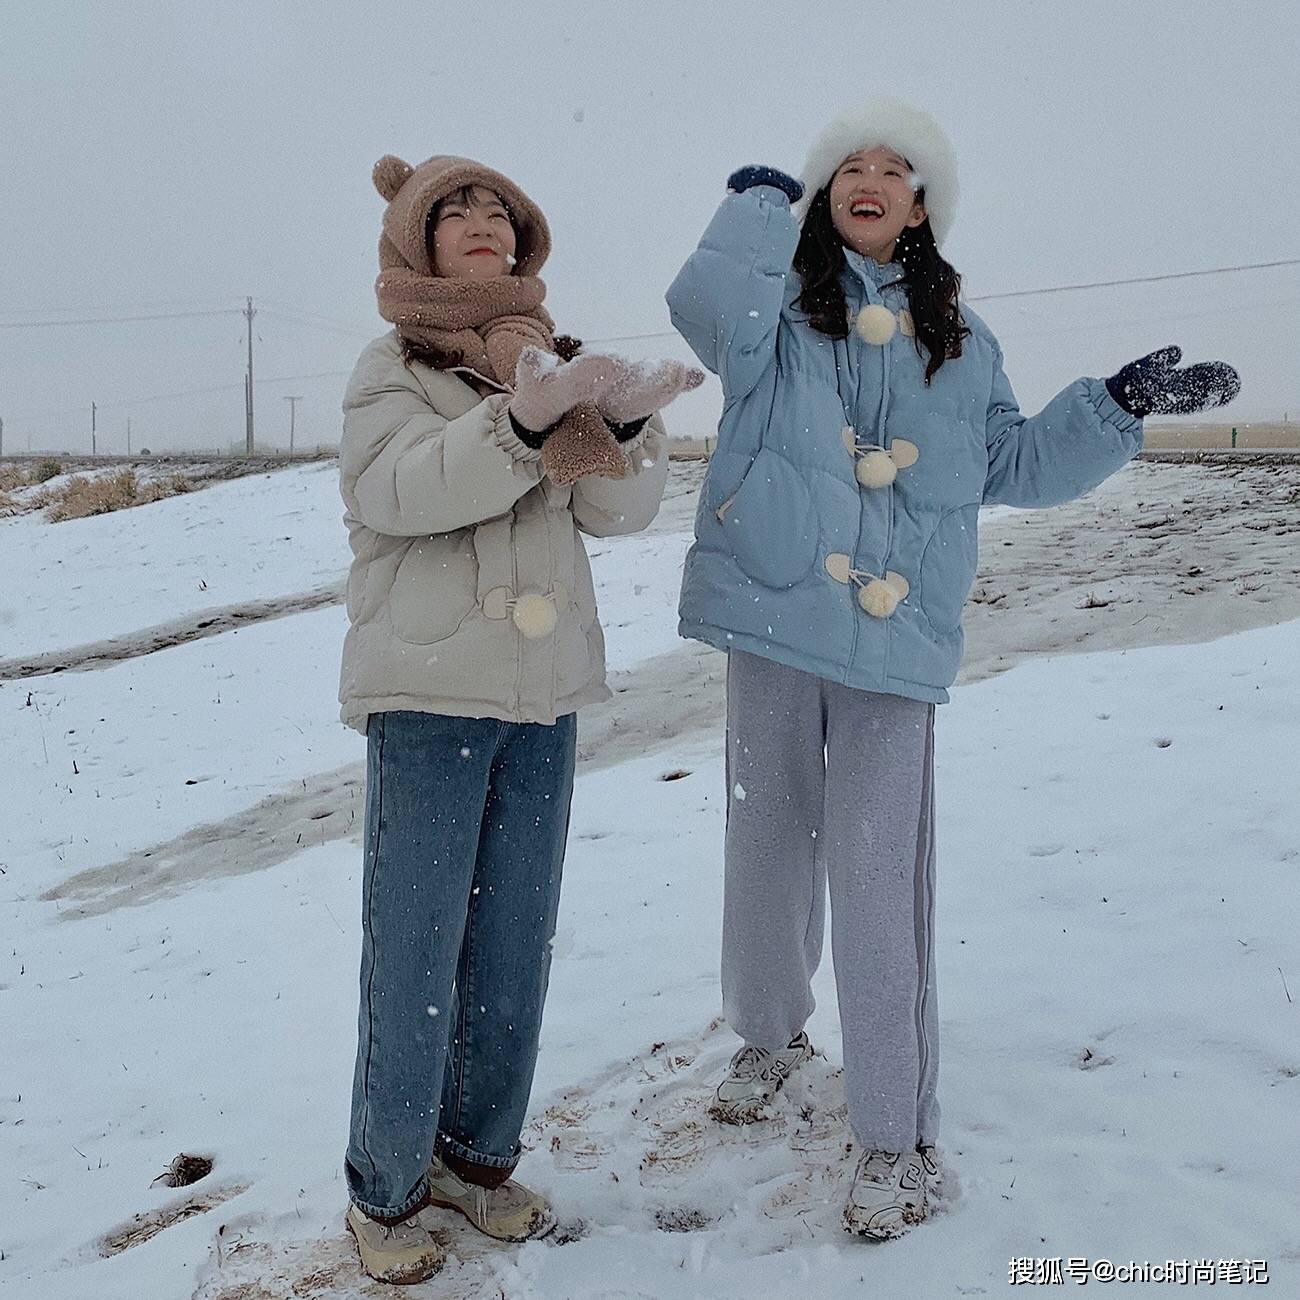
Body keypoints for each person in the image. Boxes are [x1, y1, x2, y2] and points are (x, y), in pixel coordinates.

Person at [665, 99, 1239, 1241]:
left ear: (924, 205)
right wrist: (752, 211)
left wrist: (1114, 409)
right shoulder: (774, 308)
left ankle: (892, 1137)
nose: (868, 180)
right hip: (775, 617)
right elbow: (697, 306)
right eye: (847, 168)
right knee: (763, 849)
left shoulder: (961, 340)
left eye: (896, 169)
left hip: (891, 644)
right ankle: (768, 1043)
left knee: (883, 887)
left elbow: (1012, 463)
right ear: (824, 194)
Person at [338, 151, 700, 1283]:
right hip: (433, 694)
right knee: (415, 953)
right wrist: (524, 426)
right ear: (418, 241)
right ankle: (386, 1194)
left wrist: (625, 428)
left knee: (509, 944)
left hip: (539, 700)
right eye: (457, 210)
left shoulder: (552, 358)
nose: (484, 221)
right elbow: (393, 492)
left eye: (500, 208)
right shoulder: (392, 366)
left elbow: (619, 517)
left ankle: (473, 1160)